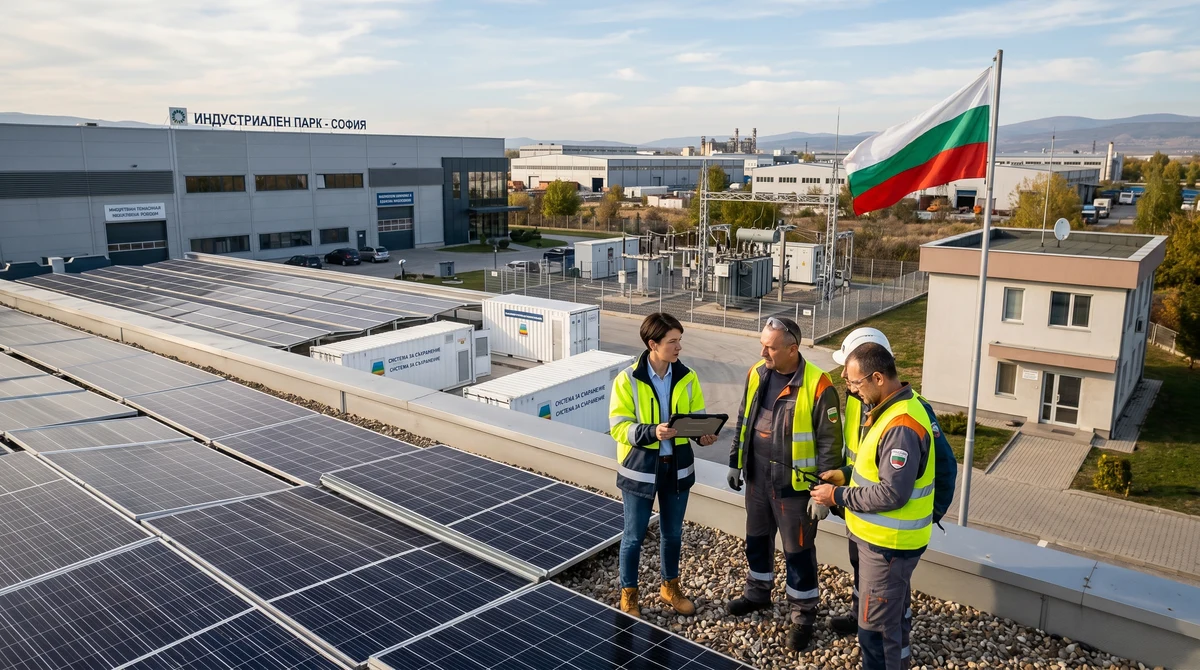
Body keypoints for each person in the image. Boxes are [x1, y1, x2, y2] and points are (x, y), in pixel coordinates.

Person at [827, 328, 959, 639]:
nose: (848, 383)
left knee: (886, 617)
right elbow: (869, 460)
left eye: (852, 377)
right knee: (866, 579)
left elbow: (943, 469)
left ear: (876, 375)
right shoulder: (864, 400)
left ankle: (884, 631)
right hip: (864, 515)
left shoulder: (908, 413)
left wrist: (928, 515)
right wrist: (845, 475)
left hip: (889, 530)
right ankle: (861, 615)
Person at [811, 343, 935, 670]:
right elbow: (879, 471)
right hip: (887, 544)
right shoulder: (895, 408)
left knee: (876, 634)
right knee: (894, 621)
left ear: (878, 378)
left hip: (888, 547)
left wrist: (837, 496)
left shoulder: (901, 425)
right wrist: (846, 474)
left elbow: (892, 493)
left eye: (856, 383)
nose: (853, 391)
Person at [725, 316, 843, 652]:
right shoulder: (757, 373)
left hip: (795, 490)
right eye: (762, 345)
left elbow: (830, 444)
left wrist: (823, 494)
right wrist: (735, 461)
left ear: (793, 349)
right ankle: (757, 593)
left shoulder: (818, 385)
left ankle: (803, 616)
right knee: (756, 540)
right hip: (757, 479)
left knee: (798, 553)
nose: (763, 352)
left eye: (771, 347)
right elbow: (744, 419)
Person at [609, 312, 718, 618]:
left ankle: (670, 587)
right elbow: (618, 427)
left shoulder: (688, 376)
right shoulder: (627, 380)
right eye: (672, 341)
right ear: (652, 344)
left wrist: (702, 436)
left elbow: (695, 419)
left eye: (679, 340)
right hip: (639, 470)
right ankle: (629, 593)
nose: (679, 347)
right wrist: (651, 432)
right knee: (633, 536)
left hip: (677, 468)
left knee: (673, 534)